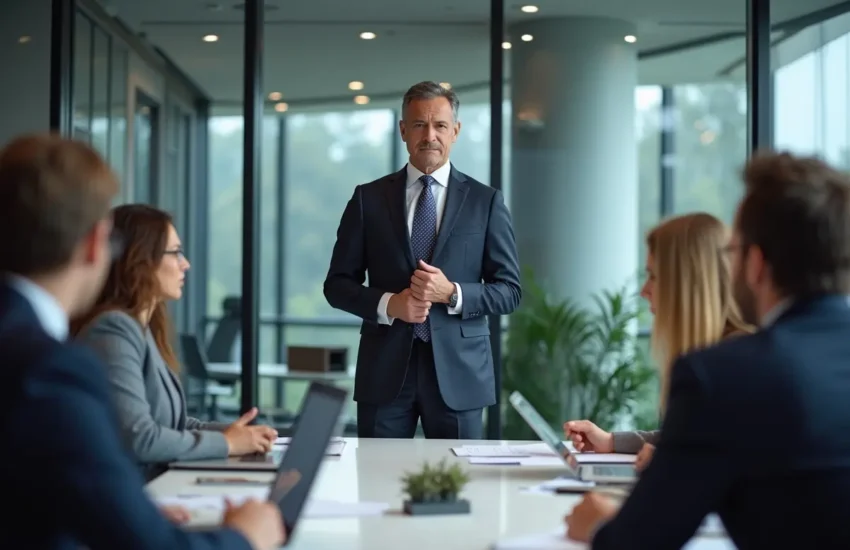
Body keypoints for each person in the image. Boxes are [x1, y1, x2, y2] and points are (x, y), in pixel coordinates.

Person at [0, 133, 284, 550]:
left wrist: (125, 510)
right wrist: (245, 536)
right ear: (99, 245)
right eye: (174, 253)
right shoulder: (52, 367)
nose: (184, 264)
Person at [565, 151, 850, 548]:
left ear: (755, 263)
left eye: (733, 252)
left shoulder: (726, 375)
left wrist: (597, 527)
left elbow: (639, 541)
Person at [324, 81, 521, 439]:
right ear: (403, 130)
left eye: (440, 126)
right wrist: (390, 304)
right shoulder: (368, 199)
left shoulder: (485, 202)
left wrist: (452, 293)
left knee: (460, 485)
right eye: (419, 124)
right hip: (384, 375)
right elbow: (337, 285)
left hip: (460, 376)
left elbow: (509, 291)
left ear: (455, 131)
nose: (430, 135)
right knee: (377, 485)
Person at [72, 204, 277, 480]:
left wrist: (239, 434)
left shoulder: (141, 329)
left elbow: (173, 424)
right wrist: (227, 443)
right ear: (141, 259)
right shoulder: (113, 330)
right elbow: (139, 437)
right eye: (176, 252)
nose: (186, 263)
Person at [564, 213, 752, 471]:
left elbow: (740, 463)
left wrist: (676, 463)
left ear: (685, 283)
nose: (644, 291)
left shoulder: (736, 364)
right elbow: (686, 439)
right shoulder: (711, 351)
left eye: (653, 276)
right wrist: (610, 441)